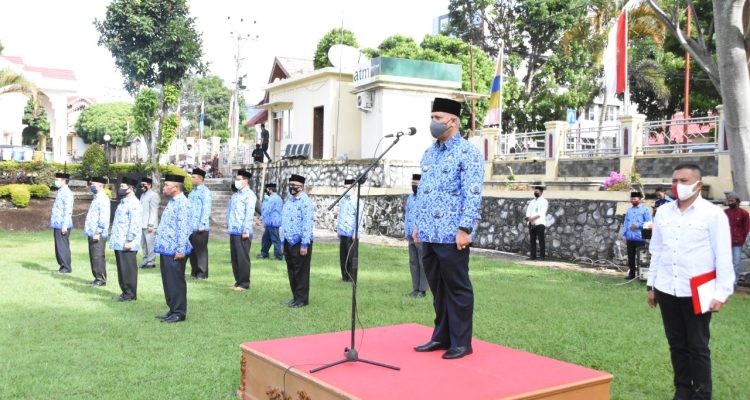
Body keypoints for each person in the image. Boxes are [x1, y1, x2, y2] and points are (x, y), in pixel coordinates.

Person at [647, 164, 734, 400]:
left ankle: (702, 393)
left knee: (698, 347)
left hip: (697, 291)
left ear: (698, 184)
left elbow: (723, 255)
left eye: (684, 180)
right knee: (676, 344)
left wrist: (721, 293)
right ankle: (683, 389)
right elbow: (657, 251)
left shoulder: (713, 214)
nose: (677, 185)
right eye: (675, 180)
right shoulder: (664, 212)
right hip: (667, 288)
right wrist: (652, 286)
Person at [412, 97, 484, 360]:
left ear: (453, 121)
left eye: (438, 118)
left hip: (452, 233)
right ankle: (441, 336)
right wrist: (418, 224)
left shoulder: (468, 153)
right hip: (430, 232)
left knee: (457, 287)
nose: (433, 123)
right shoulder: (429, 153)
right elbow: (424, 193)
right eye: (432, 117)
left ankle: (462, 342)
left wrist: (465, 228)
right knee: (438, 288)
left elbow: (472, 193)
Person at [154, 174, 193, 323]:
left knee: (176, 281)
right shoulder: (173, 202)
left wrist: (181, 249)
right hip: (166, 248)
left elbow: (183, 228)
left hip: (176, 249)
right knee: (168, 280)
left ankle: (179, 312)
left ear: (176, 188)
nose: (164, 188)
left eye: (166, 185)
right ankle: (172, 308)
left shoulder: (183, 203)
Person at [281, 174, 315, 308]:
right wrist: (282, 242)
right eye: (290, 185)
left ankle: (302, 299)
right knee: (291, 270)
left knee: (301, 271)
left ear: (301, 187)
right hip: (289, 241)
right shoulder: (289, 201)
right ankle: (295, 296)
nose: (292, 188)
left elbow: (307, 223)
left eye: (295, 186)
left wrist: (305, 244)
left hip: (300, 242)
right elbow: (283, 221)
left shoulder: (306, 202)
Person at [110, 177, 143, 302]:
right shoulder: (123, 202)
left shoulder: (134, 203)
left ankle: (130, 294)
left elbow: (134, 223)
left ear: (131, 189)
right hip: (119, 240)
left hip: (127, 242)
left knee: (128, 269)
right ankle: (125, 292)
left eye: (123, 187)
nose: (120, 189)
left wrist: (129, 240)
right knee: (121, 268)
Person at [226, 169, 256, 291]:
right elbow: (230, 211)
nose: (236, 181)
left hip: (243, 231)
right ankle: (237, 281)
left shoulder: (249, 195)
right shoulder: (236, 195)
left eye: (239, 179)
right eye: (236, 179)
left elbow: (249, 214)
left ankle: (244, 283)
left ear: (246, 181)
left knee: (243, 258)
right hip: (233, 230)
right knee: (235, 258)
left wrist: (246, 230)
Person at [84, 177, 110, 286]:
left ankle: (100, 278)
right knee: (93, 255)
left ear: (100, 186)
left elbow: (103, 217)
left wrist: (98, 232)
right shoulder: (96, 197)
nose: (92, 186)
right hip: (92, 231)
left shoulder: (103, 198)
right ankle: (97, 277)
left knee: (97, 256)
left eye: (93, 184)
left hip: (97, 232)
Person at [405, 173, 428, 298]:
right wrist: (406, 231)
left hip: (420, 235)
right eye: (412, 184)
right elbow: (407, 214)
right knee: (413, 262)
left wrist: (418, 230)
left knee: (422, 262)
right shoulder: (410, 197)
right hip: (410, 235)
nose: (414, 186)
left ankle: (422, 290)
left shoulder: (424, 197)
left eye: (416, 184)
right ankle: (415, 288)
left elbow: (424, 216)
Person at [337, 178, 363, 283]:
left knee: (351, 256)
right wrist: (338, 230)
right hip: (343, 231)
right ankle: (344, 276)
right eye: (344, 188)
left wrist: (356, 232)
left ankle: (352, 277)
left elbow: (359, 217)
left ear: (354, 188)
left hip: (351, 232)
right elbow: (340, 215)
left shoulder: (358, 201)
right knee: (343, 256)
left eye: (347, 188)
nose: (345, 190)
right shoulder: (343, 200)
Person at [622, 191, 653, 280]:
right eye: (631, 199)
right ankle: (631, 274)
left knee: (642, 257)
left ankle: (642, 275)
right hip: (630, 237)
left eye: (635, 199)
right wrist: (624, 235)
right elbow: (625, 223)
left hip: (640, 237)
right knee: (630, 257)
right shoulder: (629, 210)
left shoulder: (645, 210)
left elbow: (649, 223)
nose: (633, 200)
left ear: (639, 199)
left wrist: (638, 226)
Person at [188, 167, 212, 279]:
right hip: (191, 227)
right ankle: (194, 272)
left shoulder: (205, 192)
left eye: (193, 177)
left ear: (200, 178)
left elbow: (206, 209)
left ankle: (202, 273)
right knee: (192, 251)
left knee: (201, 251)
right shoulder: (192, 192)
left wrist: (202, 224)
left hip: (200, 227)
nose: (191, 179)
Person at [50, 172, 74, 274]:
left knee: (62, 246)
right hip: (57, 223)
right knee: (58, 246)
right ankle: (62, 265)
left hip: (63, 224)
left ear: (64, 180)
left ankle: (66, 267)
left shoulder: (67, 193)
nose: (56, 181)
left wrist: (64, 225)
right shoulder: (61, 191)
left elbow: (68, 210)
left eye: (58, 180)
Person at [724, 192, 749, 288]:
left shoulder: (744, 213)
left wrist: (743, 242)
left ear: (737, 201)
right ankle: (726, 283)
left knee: (736, 264)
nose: (730, 203)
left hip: (737, 243)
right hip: (725, 242)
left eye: (732, 201)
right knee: (725, 263)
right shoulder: (725, 213)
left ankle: (734, 285)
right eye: (729, 201)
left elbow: (747, 229)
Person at [258, 183, 283, 261]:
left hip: (273, 222)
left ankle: (278, 256)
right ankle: (264, 253)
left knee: (275, 239)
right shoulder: (277, 198)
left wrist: (260, 218)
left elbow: (267, 210)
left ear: (270, 190)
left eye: (267, 189)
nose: (266, 191)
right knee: (266, 239)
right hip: (271, 222)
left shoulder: (272, 199)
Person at [139, 177, 160, 269]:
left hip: (149, 225)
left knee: (150, 244)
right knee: (143, 244)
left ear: (149, 185)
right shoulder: (143, 195)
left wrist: (151, 224)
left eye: (144, 184)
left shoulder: (153, 195)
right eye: (141, 184)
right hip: (142, 223)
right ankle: (145, 260)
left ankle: (151, 262)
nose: (142, 186)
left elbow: (153, 211)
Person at [525, 185, 548, 260]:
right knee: (532, 240)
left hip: (540, 223)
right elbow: (528, 212)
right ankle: (533, 256)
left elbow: (542, 213)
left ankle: (542, 256)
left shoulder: (544, 201)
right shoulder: (532, 202)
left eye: (537, 191)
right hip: (531, 223)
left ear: (541, 192)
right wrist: (530, 219)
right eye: (534, 191)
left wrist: (532, 219)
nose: (535, 192)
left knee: (541, 240)